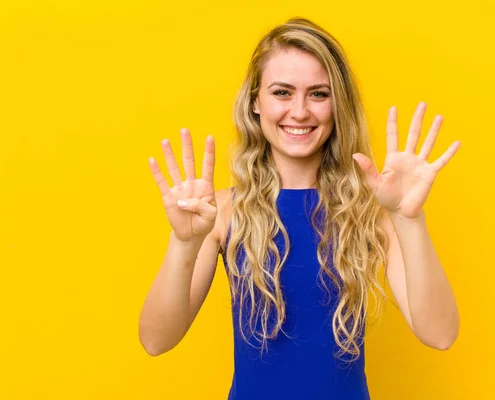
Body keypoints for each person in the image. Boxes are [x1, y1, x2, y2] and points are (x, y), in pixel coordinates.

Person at [138, 17, 461, 400]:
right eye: (282, 92)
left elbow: (440, 333)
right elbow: (155, 340)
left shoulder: (371, 213)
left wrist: (410, 220)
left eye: (319, 94)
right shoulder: (220, 212)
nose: (300, 111)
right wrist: (182, 244)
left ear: (337, 104)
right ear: (256, 102)